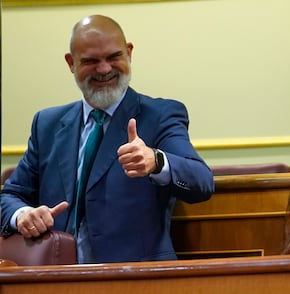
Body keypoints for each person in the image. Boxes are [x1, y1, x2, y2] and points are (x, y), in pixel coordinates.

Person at [0, 15, 214, 263]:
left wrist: (156, 161)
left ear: (129, 53)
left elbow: (201, 182)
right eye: (91, 61)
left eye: (114, 57)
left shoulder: (160, 115)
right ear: (71, 63)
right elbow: (9, 196)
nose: (104, 69)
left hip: (137, 284)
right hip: (55, 286)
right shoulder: (46, 124)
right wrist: (23, 215)